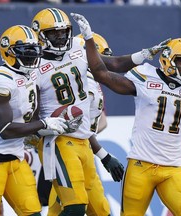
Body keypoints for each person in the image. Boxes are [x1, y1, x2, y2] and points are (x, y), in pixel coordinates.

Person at [71, 13, 181, 216]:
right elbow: (103, 74)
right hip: (140, 165)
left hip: (173, 169)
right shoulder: (146, 77)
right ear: (167, 60)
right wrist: (88, 39)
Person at [30, 7, 146, 215]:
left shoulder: (77, 51)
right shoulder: (36, 66)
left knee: (100, 211)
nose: (60, 37)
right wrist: (44, 126)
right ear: (40, 35)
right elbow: (33, 116)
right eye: (53, 33)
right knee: (75, 207)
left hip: (83, 144)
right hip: (58, 142)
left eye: (63, 31)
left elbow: (114, 64)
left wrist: (102, 155)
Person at [0, 25, 71, 216]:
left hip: (16, 157)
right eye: (26, 53)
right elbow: (5, 129)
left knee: (32, 212)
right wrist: (43, 124)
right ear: (9, 52)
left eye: (34, 52)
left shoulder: (32, 73)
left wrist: (39, 129)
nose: (31, 58)